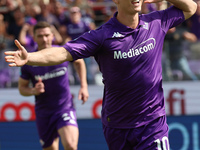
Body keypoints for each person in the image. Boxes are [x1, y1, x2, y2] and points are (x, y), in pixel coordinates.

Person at [4, 0, 197, 149]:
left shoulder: (156, 22)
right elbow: (63, 52)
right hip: (117, 125)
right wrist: (29, 57)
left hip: (153, 122)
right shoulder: (102, 36)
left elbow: (190, 7)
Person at [17, 21, 89, 150]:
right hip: (44, 113)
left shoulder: (61, 52)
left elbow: (79, 61)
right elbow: (22, 89)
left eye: (46, 35)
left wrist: (84, 86)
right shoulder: (29, 60)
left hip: (64, 108)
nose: (44, 39)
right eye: (40, 36)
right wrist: (33, 90)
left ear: (52, 36)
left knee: (71, 146)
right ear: (34, 38)